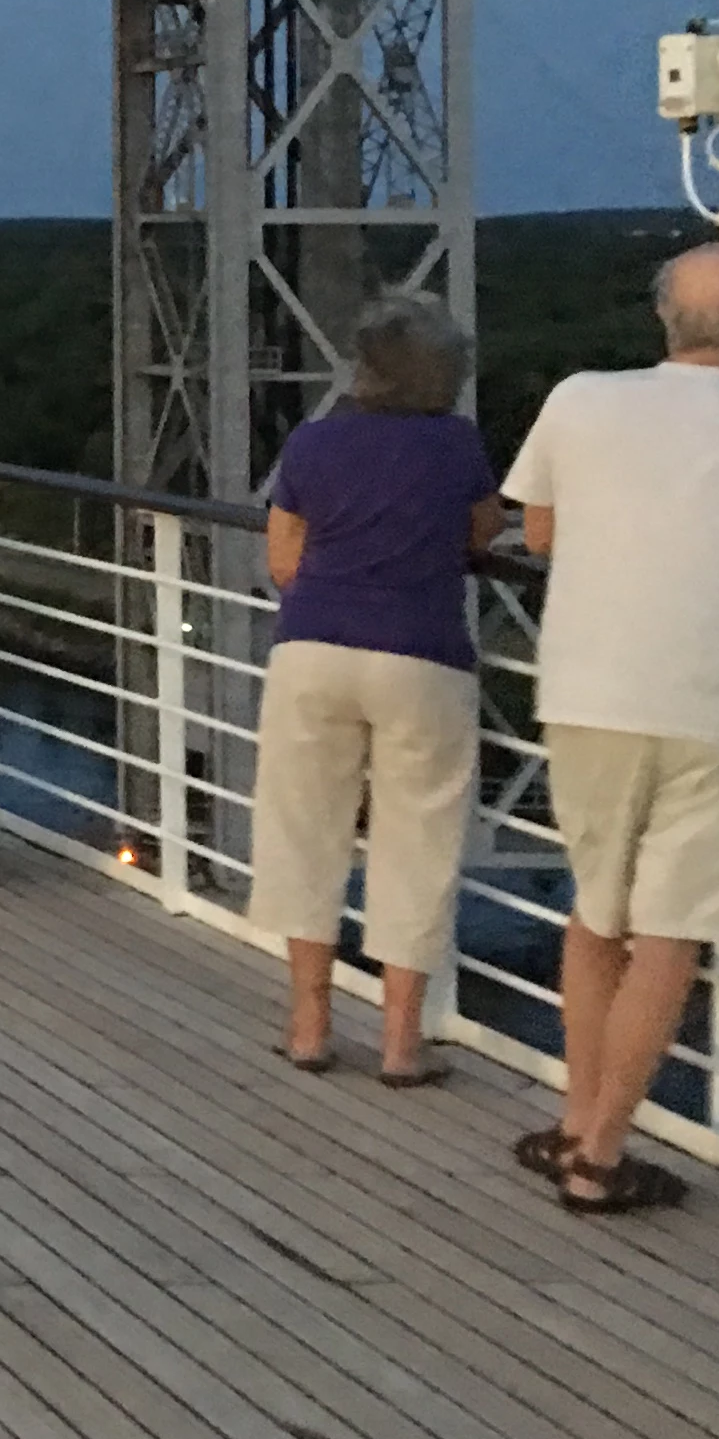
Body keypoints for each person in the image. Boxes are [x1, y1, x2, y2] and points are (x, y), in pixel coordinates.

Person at [499, 241, 719, 1216]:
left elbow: (540, 532)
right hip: (716, 710)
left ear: (664, 319)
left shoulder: (578, 398)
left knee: (595, 913)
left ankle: (577, 1120)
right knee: (670, 934)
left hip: (587, 695)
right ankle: (600, 1157)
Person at [248, 296, 503, 1085]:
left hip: (314, 648)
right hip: (423, 657)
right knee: (417, 842)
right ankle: (400, 1044)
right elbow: (484, 531)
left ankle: (308, 1027)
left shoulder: (313, 442)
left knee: (303, 831)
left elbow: (283, 563)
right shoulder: (457, 446)